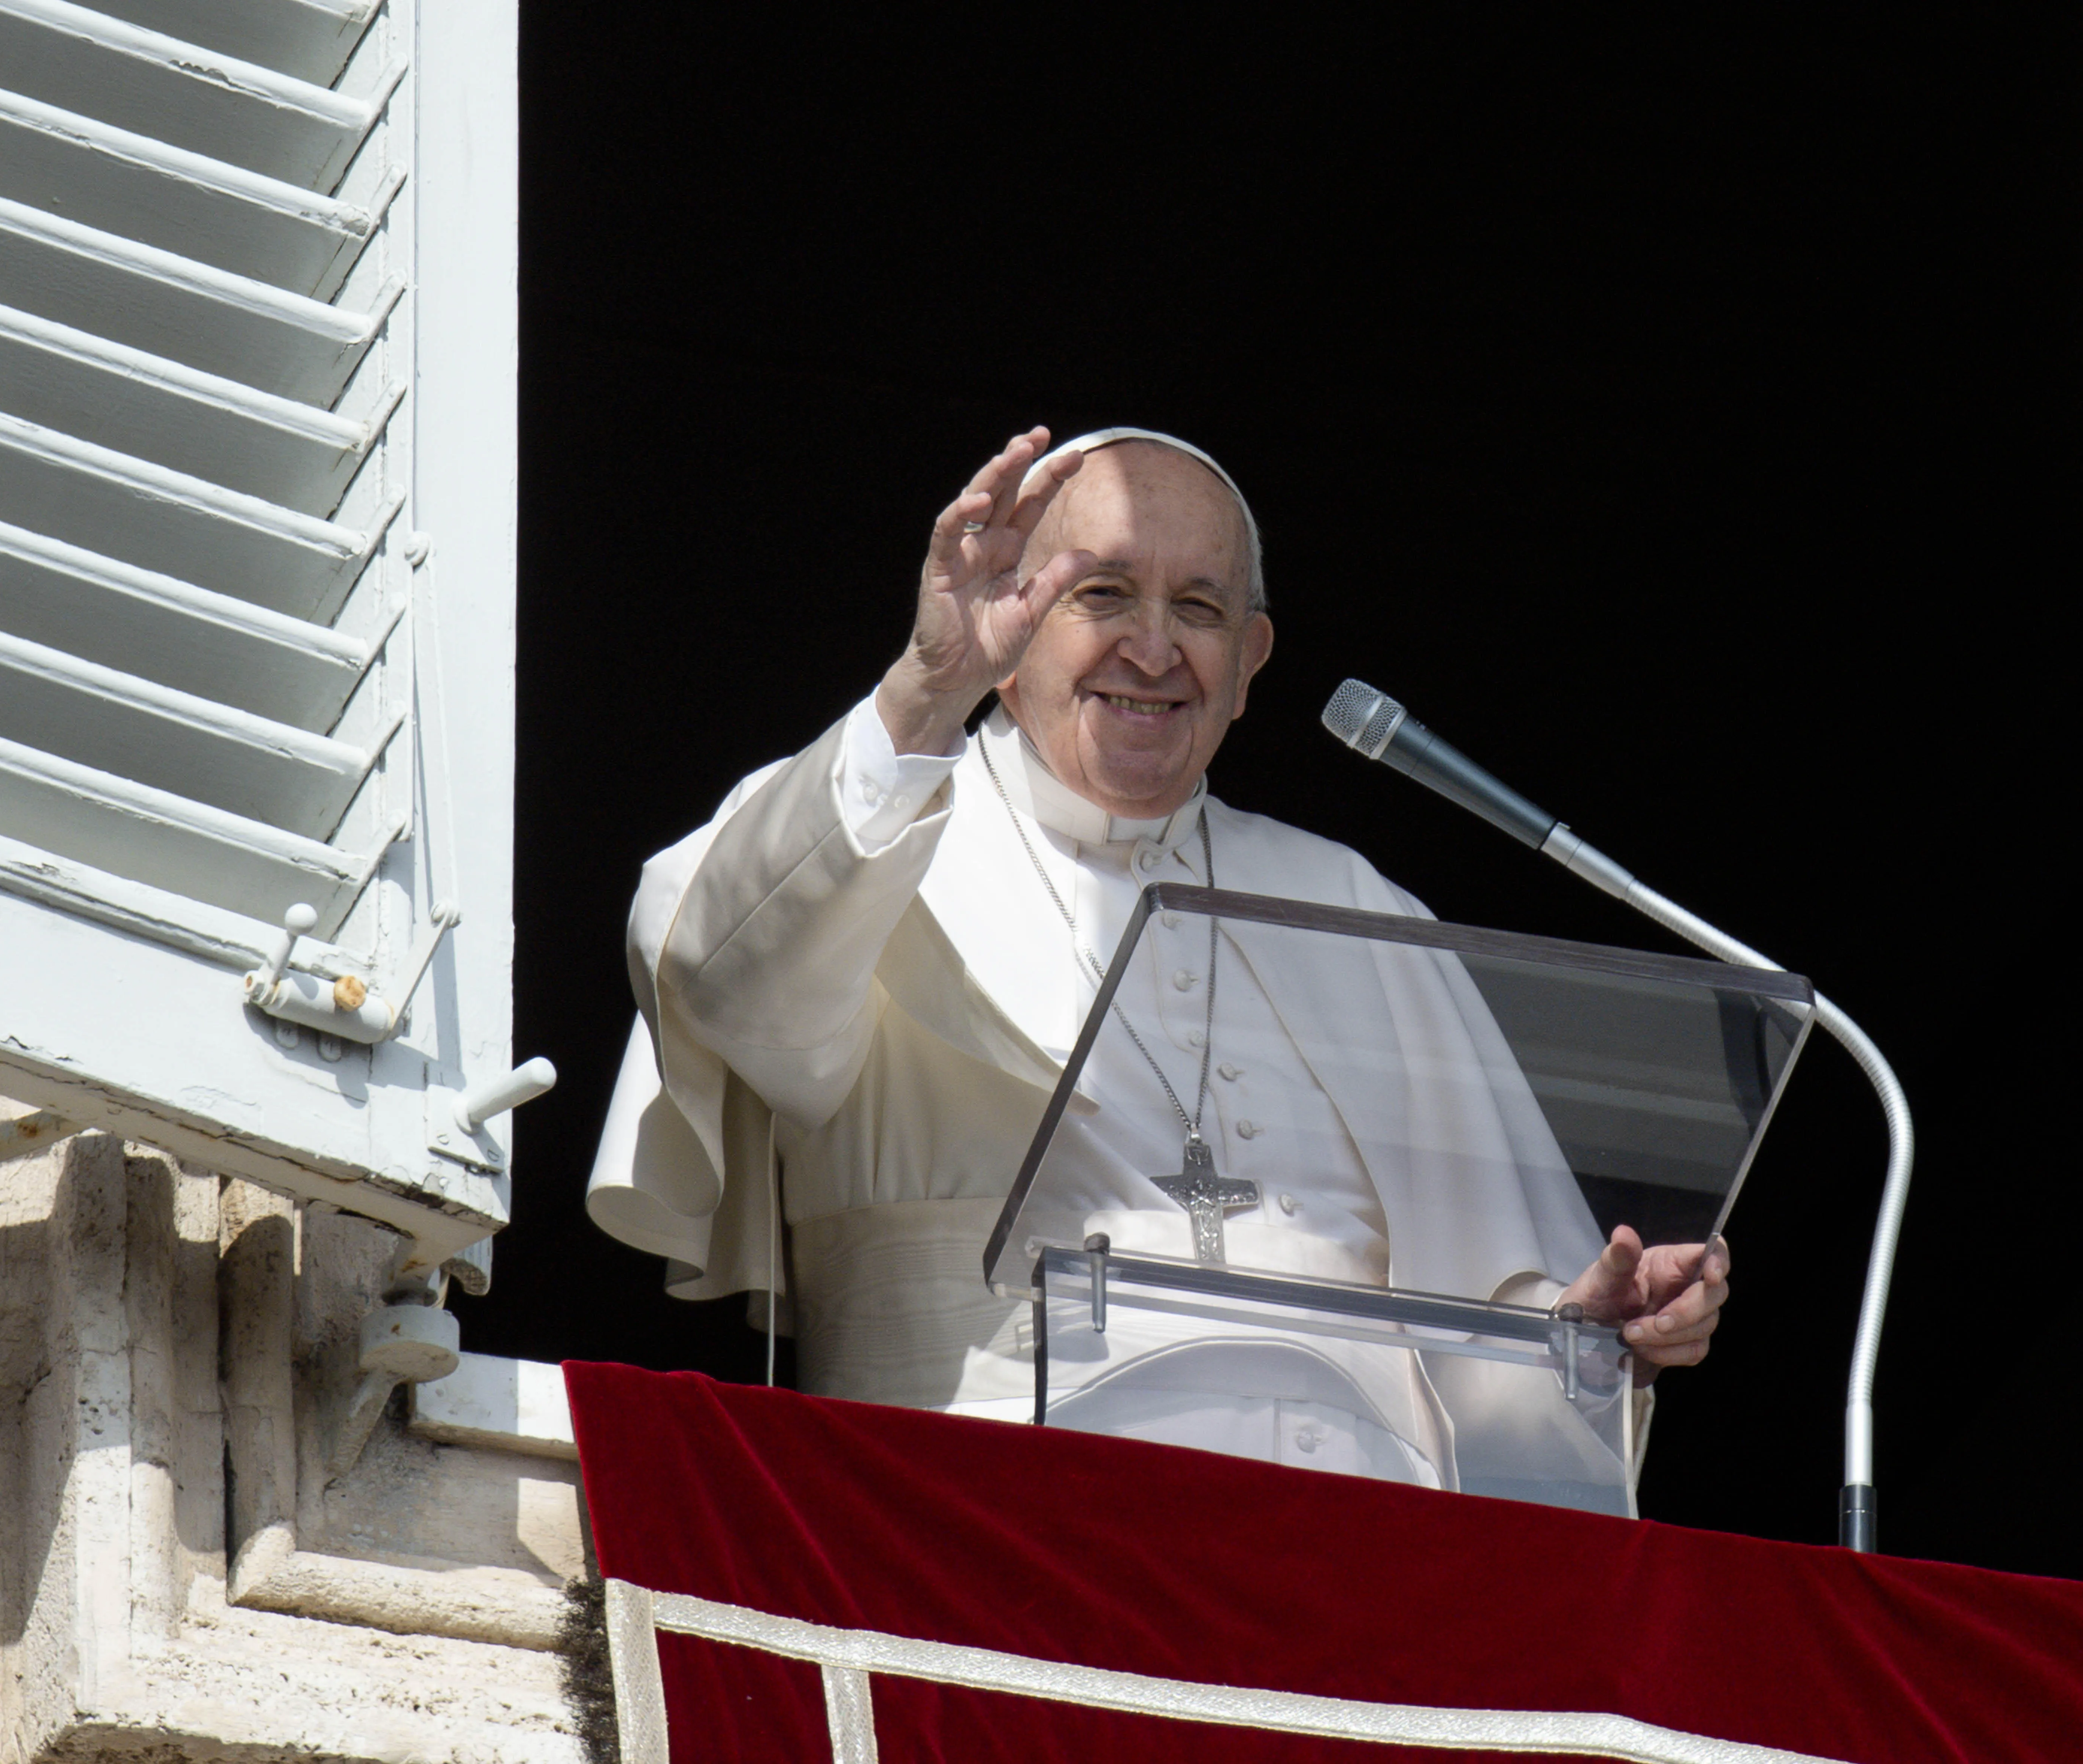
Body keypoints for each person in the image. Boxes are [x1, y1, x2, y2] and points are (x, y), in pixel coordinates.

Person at [586, 426, 1728, 1488]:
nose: (1151, 644)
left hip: (1345, 1574)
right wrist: (928, 690)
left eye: (1197, 606)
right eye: (1101, 593)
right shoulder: (873, 819)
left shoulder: (1349, 900)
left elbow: (1490, 1370)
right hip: (972, 1524)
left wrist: (1582, 1335)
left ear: (1248, 662)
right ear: (1010, 615)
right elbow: (723, 977)